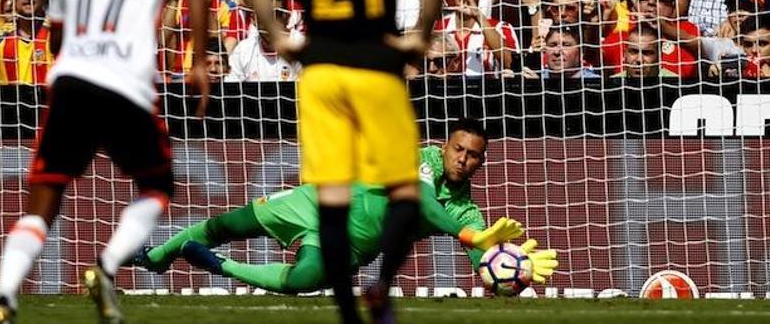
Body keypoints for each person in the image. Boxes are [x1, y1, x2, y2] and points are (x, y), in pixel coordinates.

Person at [239, 0, 447, 321]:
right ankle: (382, 286)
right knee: (404, 191)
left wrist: (278, 33)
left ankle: (347, 313)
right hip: (376, 65)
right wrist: (418, 35)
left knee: (330, 201)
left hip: (321, 70)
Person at [0, 0, 210, 324]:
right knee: (156, 188)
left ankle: (5, 294)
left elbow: (55, 36)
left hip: (71, 81)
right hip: (126, 83)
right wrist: (200, 60)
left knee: (45, 197)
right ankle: (107, 267)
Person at [131, 119, 558, 294]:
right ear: (444, 146)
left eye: (473, 155)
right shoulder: (421, 159)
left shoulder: (468, 213)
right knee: (229, 223)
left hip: (350, 248)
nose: (462, 159)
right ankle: (158, 255)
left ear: (482, 161)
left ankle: (214, 264)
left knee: (302, 282)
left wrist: (510, 270)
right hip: (316, 203)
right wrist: (469, 237)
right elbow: (423, 202)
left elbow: (481, 255)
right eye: (458, 149)